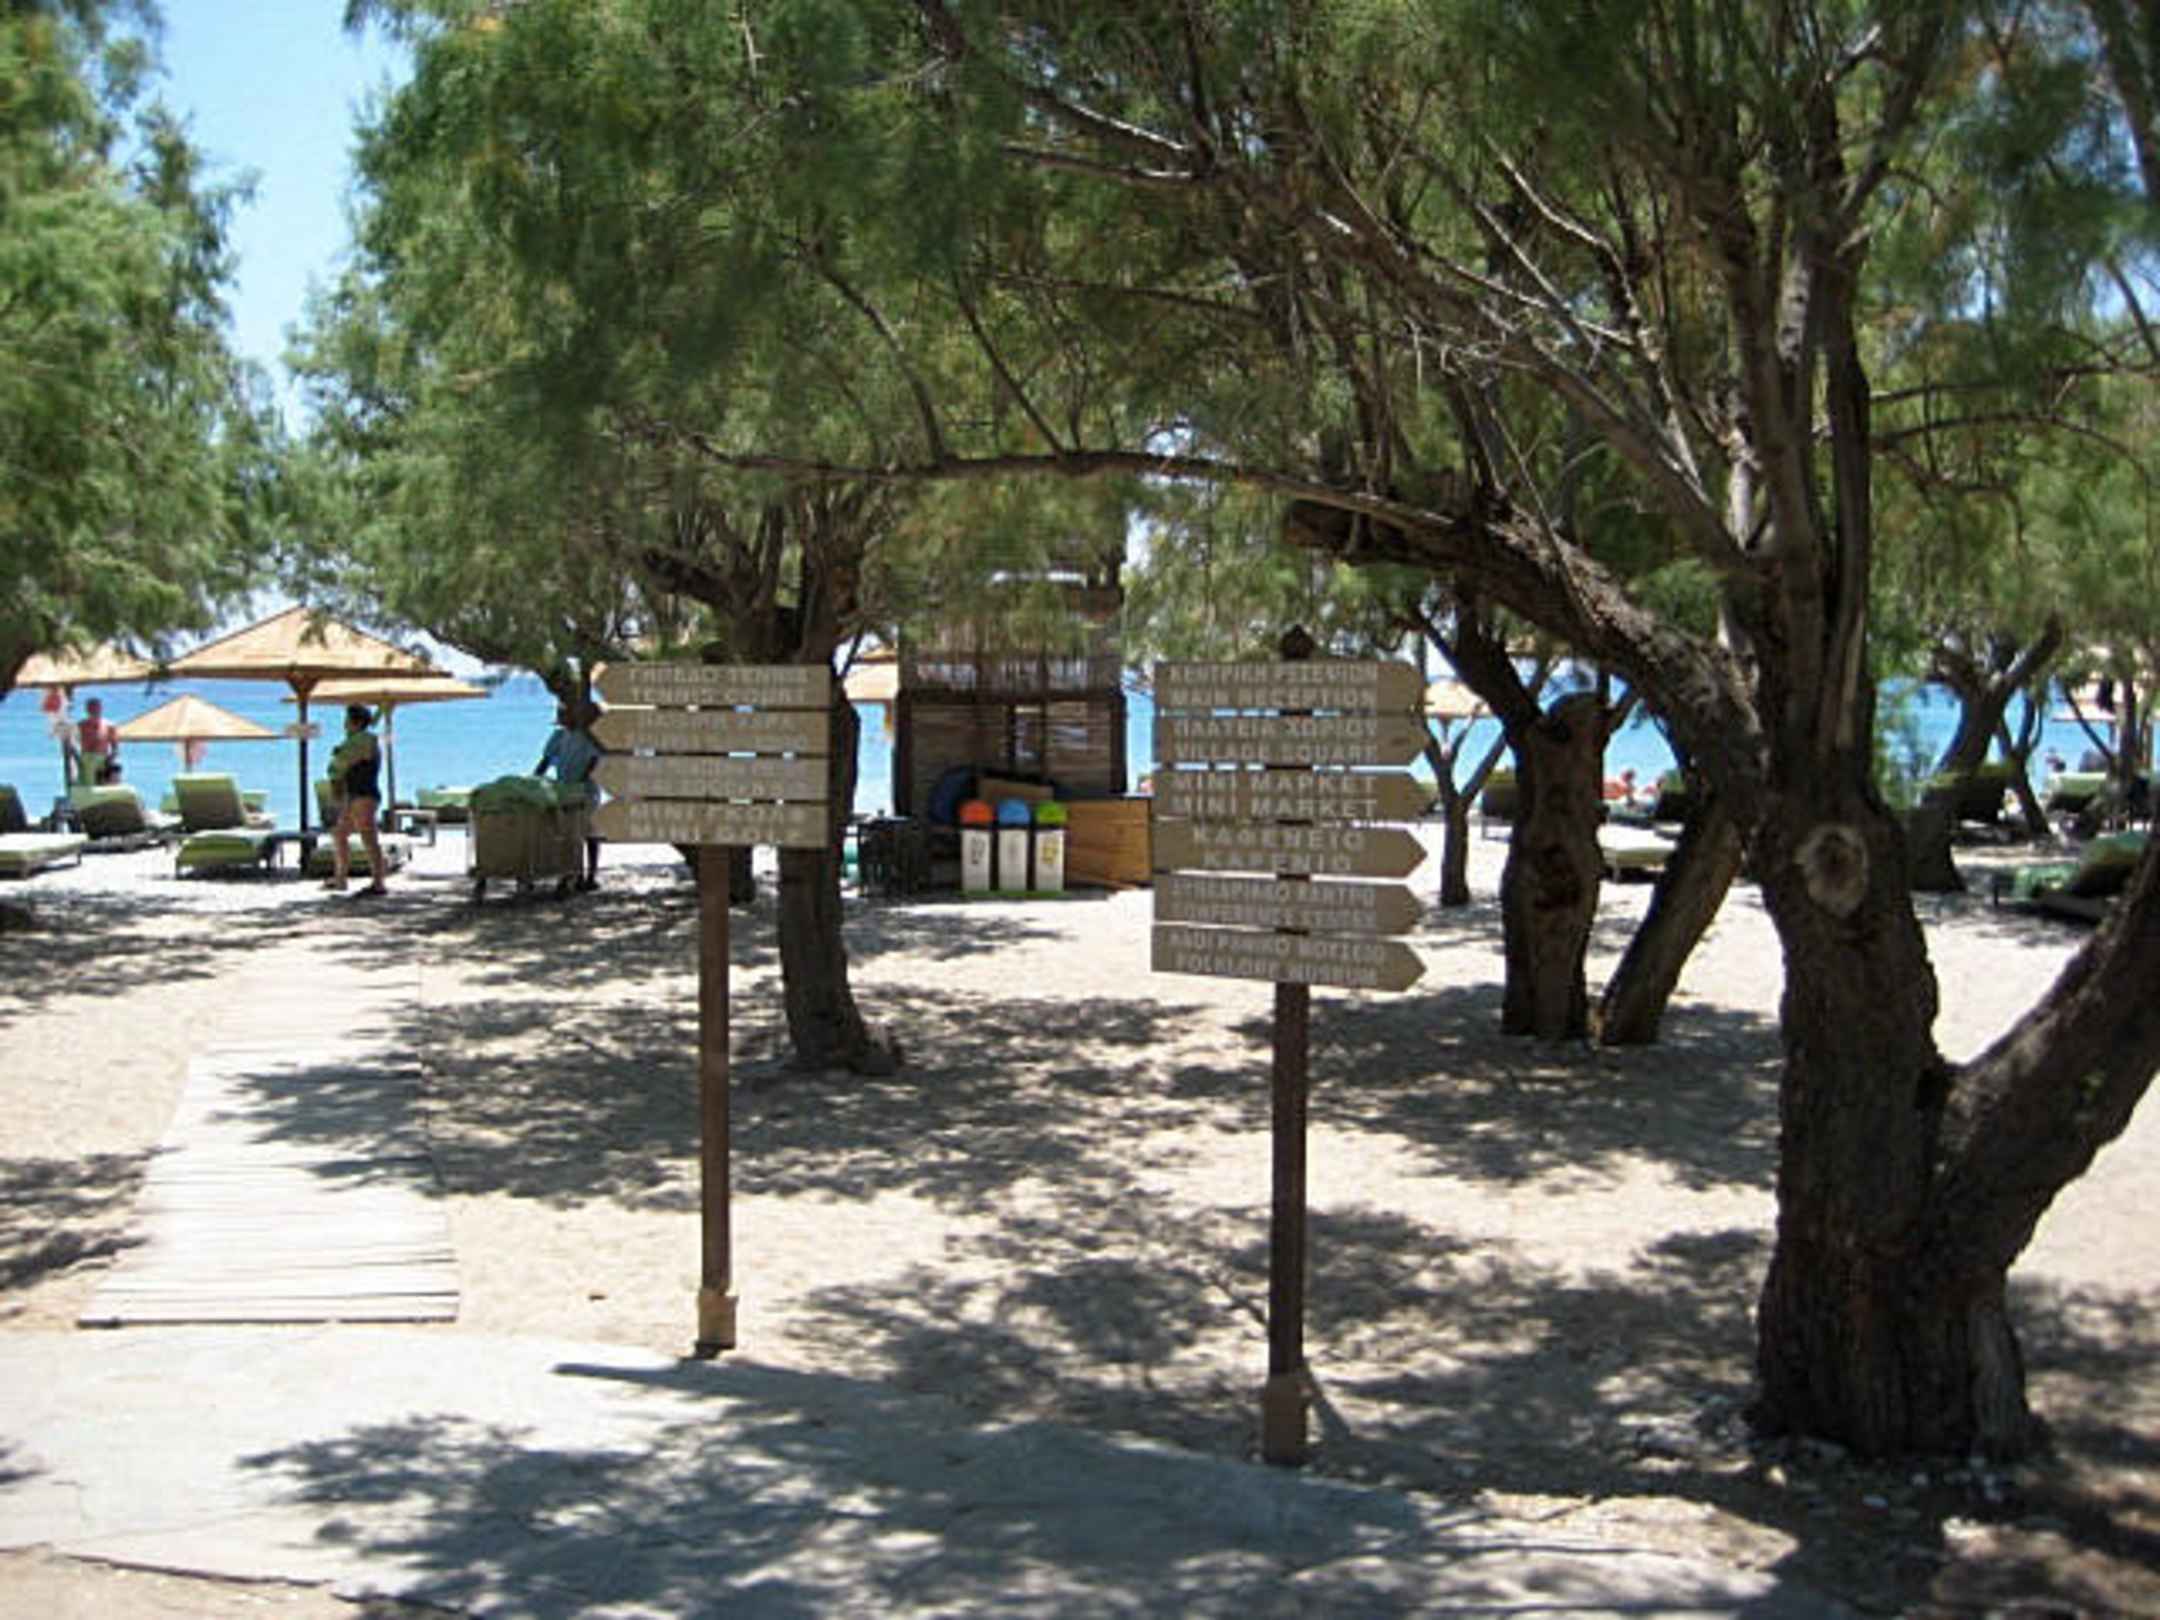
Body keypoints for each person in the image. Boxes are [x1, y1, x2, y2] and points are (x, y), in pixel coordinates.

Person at [535, 696, 604, 889]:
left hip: (587, 790)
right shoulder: (559, 736)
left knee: (590, 833)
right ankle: (575, 875)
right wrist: (534, 780)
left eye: (563, 714)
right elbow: (546, 760)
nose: (561, 718)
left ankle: (591, 876)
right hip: (564, 790)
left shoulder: (588, 737)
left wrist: (581, 781)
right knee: (570, 835)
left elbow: (594, 762)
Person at [325, 704, 388, 897]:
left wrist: (337, 757)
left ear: (356, 722)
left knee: (368, 837)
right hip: (357, 795)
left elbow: (340, 765)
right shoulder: (360, 740)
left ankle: (378, 882)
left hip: (363, 794)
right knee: (340, 833)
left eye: (347, 720)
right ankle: (341, 878)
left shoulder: (361, 741)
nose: (344, 724)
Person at [72, 697, 121, 786]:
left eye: (96, 707)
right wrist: (77, 758)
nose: (94, 710)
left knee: (103, 785)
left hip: (103, 759)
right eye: (91, 708)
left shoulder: (109, 726)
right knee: (87, 785)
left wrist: (110, 759)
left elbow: (115, 748)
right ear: (87, 710)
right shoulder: (81, 726)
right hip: (86, 759)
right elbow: (71, 743)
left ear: (100, 709)